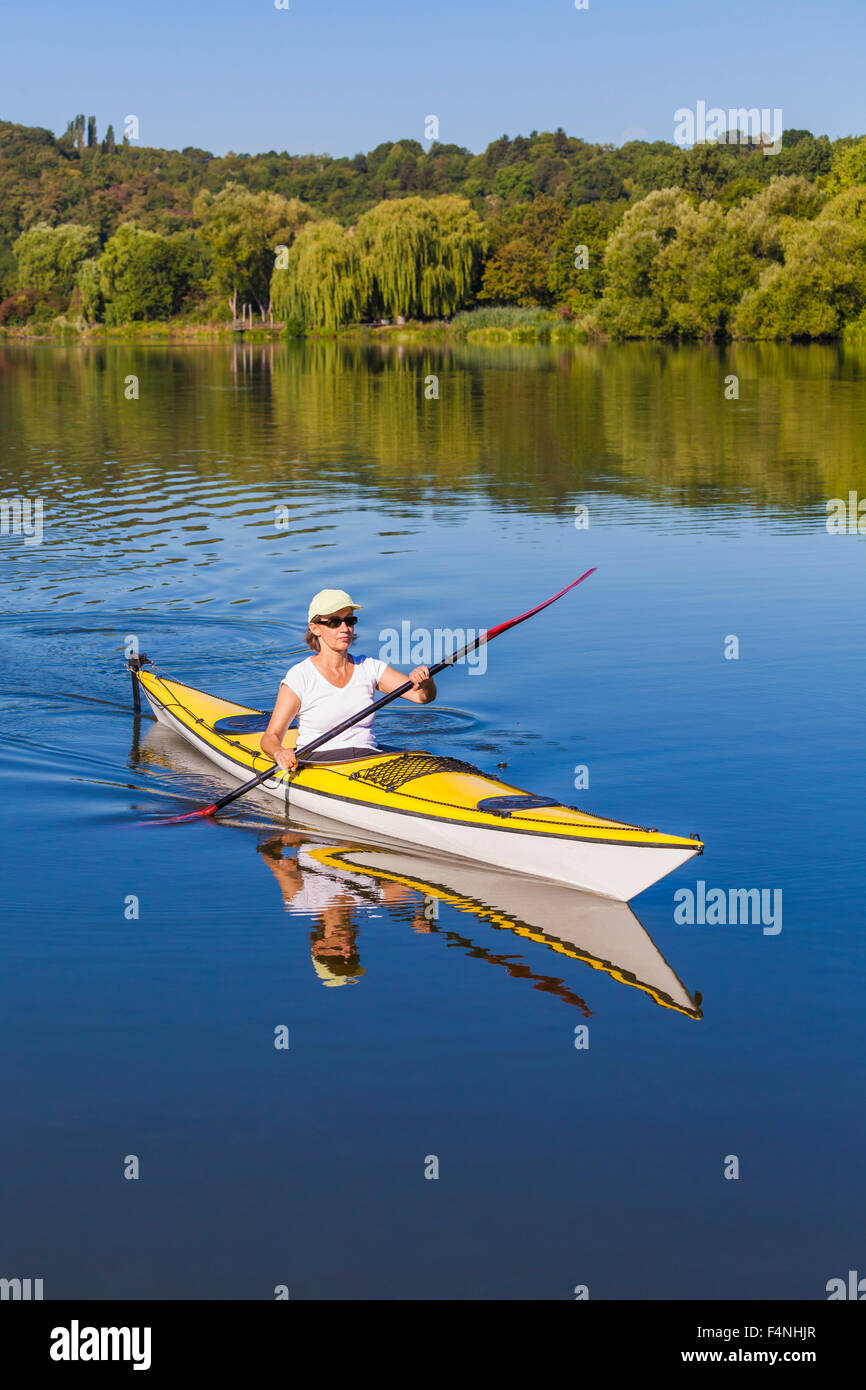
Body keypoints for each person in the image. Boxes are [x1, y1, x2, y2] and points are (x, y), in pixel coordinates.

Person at [261, 588, 436, 772]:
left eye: (350, 620)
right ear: (315, 628)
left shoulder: (369, 667)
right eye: (335, 622)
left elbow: (422, 697)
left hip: (369, 761)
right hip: (320, 764)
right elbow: (270, 737)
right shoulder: (300, 677)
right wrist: (279, 753)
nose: (345, 628)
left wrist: (426, 682)